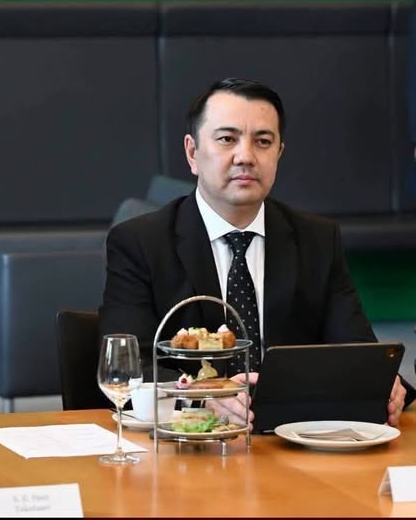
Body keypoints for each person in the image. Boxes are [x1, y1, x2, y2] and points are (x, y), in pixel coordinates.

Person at [100, 77, 412, 427]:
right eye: (227, 139)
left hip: (291, 438)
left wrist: (382, 382)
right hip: (187, 443)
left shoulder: (317, 239)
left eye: (263, 142)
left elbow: (357, 351)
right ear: (192, 152)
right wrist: (204, 397)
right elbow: (130, 369)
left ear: (279, 153)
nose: (246, 157)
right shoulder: (140, 243)